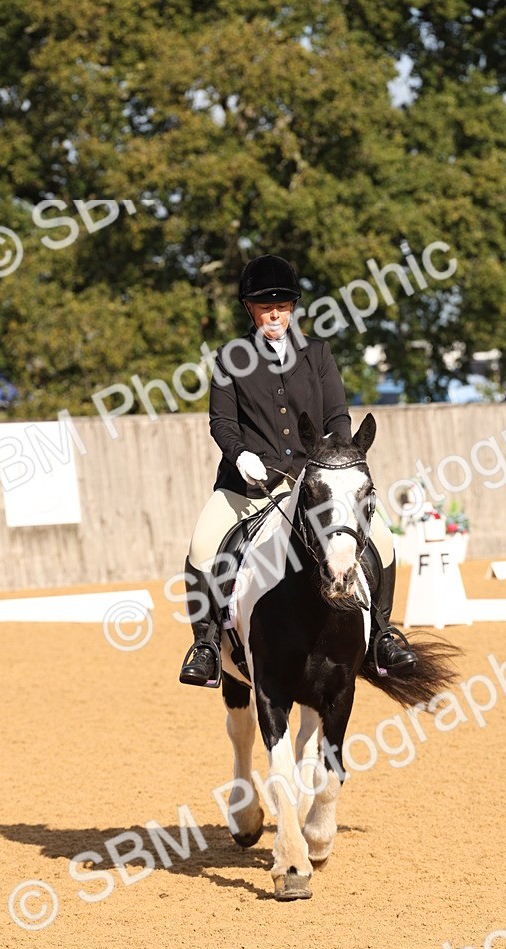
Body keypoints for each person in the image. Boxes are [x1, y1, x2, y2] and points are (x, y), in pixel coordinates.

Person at [179, 253, 417, 686]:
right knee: (202, 547)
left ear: (293, 307)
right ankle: (207, 644)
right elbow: (222, 422)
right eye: (266, 305)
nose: (275, 313)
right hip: (250, 487)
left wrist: (334, 454)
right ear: (249, 309)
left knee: (382, 537)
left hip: (315, 485)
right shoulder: (231, 357)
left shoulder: (317, 354)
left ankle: (383, 633)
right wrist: (240, 455)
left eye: (282, 305)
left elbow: (338, 416)